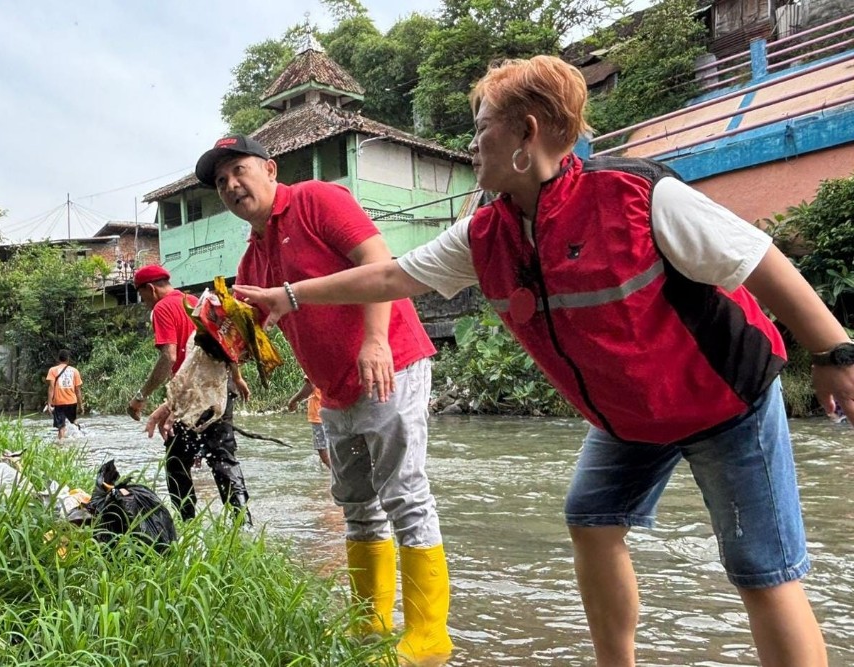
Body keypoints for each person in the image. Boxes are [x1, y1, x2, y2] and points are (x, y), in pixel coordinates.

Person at [234, 56, 854, 667]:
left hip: (724, 399)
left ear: (526, 133)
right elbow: (394, 275)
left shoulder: (637, 197)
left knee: (761, 572)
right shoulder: (486, 234)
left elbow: (760, 259)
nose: (472, 145)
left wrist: (833, 352)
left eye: (481, 129)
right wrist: (288, 297)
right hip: (628, 416)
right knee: (590, 519)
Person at [190, 133, 452, 665]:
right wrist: (179, 397)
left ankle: (428, 638)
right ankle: (369, 627)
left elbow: (379, 261)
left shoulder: (317, 199)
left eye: (239, 171)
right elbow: (233, 344)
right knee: (356, 507)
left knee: (404, 495)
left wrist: (375, 340)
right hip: (332, 392)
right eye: (221, 183)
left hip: (391, 360)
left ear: (270, 169)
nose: (232, 186)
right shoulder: (251, 262)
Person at [129, 264, 252, 525]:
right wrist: (238, 378)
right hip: (219, 390)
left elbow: (169, 357)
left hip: (191, 397)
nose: (144, 303)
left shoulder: (162, 308)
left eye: (142, 296)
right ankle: (243, 523)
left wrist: (142, 395)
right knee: (223, 457)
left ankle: (187, 525)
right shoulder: (195, 301)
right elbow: (227, 343)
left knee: (176, 462)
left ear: (150, 289)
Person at [288, 378, 331, 468]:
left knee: (324, 454)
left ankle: (336, 477)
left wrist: (293, 401)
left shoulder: (314, 364)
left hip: (319, 414)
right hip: (331, 411)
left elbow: (310, 386)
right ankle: (329, 477)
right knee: (331, 451)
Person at [46, 349, 84, 440]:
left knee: (61, 426)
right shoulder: (75, 371)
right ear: (68, 359)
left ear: (58, 359)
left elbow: (51, 388)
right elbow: (78, 391)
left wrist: (49, 404)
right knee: (73, 421)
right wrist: (80, 405)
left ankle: (61, 444)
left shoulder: (52, 370)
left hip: (59, 402)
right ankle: (80, 436)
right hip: (72, 401)